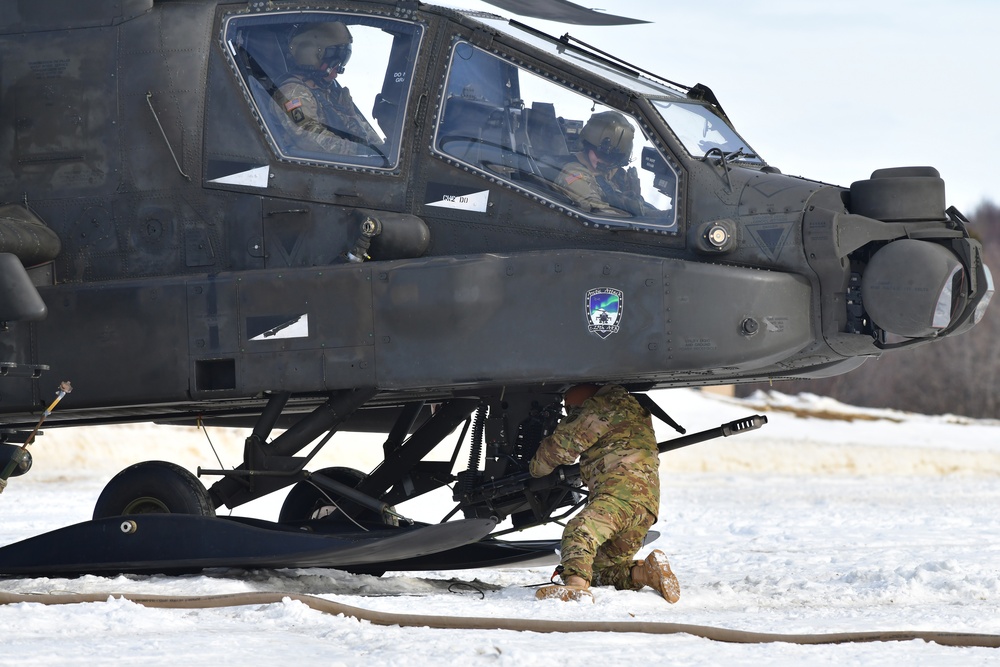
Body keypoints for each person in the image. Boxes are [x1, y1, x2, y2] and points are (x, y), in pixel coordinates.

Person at [528, 383, 680, 603]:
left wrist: (533, 468)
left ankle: (575, 588)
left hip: (618, 498)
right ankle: (645, 573)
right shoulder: (634, 407)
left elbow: (558, 450)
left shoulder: (598, 408)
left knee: (579, 531)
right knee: (599, 570)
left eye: (568, 405)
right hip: (646, 507)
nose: (568, 409)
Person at [277, 22, 385, 156]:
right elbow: (308, 137)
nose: (336, 74)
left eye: (339, 66)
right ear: (309, 55)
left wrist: (381, 150)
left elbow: (355, 125)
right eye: (332, 66)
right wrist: (357, 151)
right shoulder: (292, 93)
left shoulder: (329, 91)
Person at [554, 111, 648, 217]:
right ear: (588, 146)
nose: (605, 163)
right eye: (601, 155)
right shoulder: (573, 173)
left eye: (613, 159)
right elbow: (597, 212)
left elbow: (645, 211)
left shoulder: (614, 173)